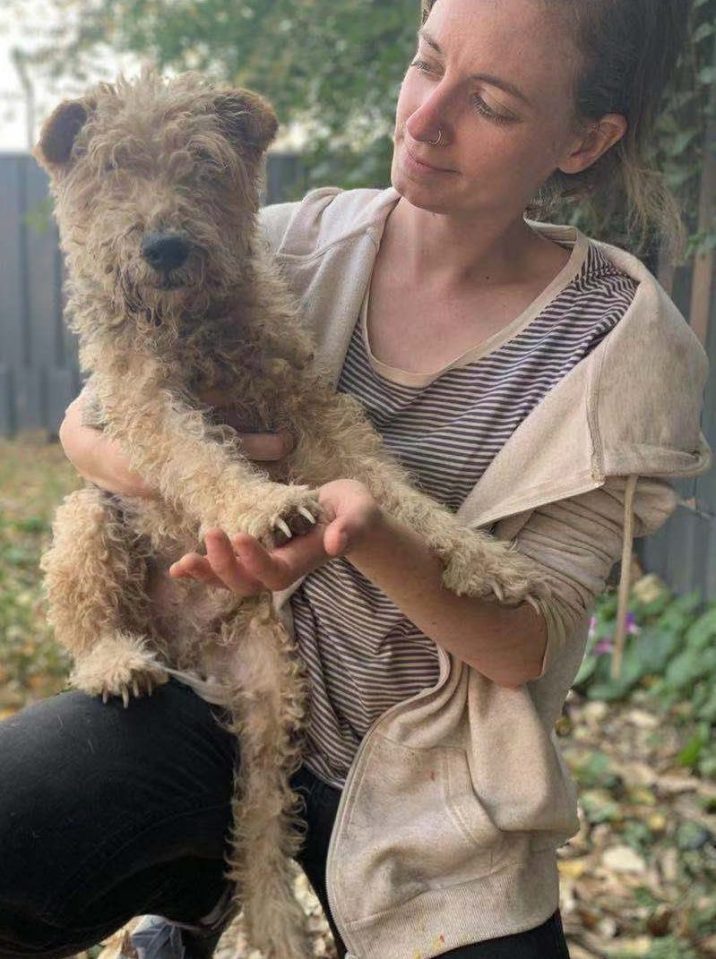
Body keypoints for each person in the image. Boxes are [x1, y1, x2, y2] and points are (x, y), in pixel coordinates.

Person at [0, 0, 710, 957]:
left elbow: (527, 645)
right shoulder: (291, 240)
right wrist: (193, 486)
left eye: (491, 103)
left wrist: (367, 532)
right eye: (426, 63)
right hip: (213, 690)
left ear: (585, 138)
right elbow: (92, 417)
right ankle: (188, 890)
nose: (423, 119)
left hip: (427, 778)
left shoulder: (619, 346)